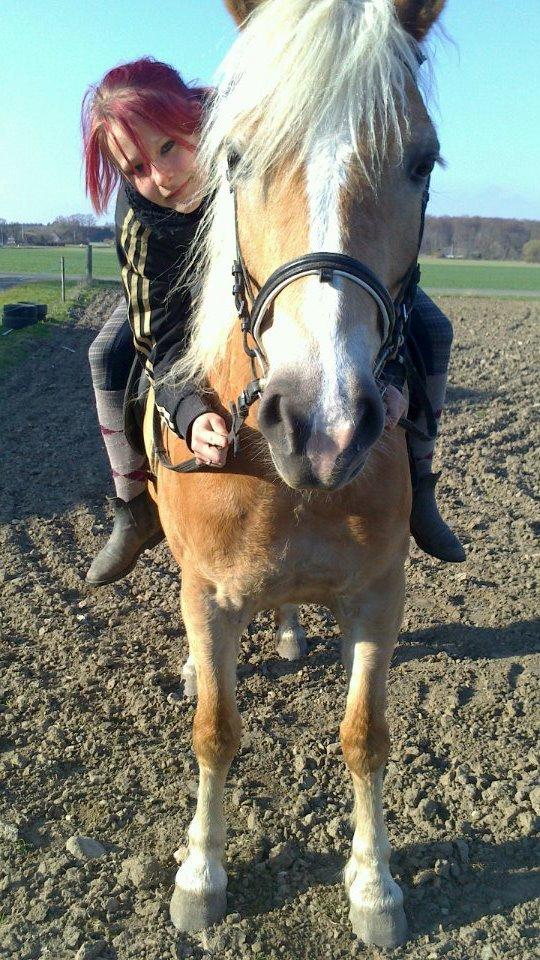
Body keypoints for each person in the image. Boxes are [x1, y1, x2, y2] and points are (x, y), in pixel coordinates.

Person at [81, 57, 463, 586]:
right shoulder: (142, 221)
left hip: (269, 283)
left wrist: (391, 375)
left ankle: (421, 484)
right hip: (181, 300)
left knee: (433, 328)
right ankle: (132, 507)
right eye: (137, 169)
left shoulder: (258, 139)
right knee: (106, 354)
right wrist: (187, 410)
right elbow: (159, 329)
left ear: (198, 120)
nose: (162, 177)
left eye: (169, 146)